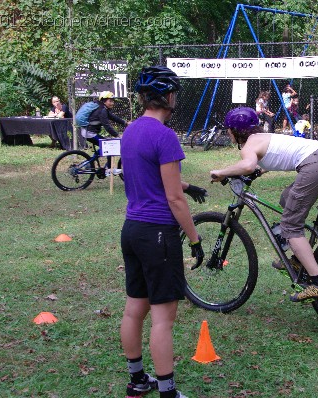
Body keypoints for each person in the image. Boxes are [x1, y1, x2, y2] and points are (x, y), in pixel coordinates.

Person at [120, 65, 205, 398]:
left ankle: (138, 380)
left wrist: (186, 183)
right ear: (168, 96)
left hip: (132, 230)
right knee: (163, 319)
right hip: (158, 234)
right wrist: (195, 240)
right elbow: (174, 199)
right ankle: (168, 392)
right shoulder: (165, 136)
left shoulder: (131, 131)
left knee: (133, 310)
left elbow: (145, 174)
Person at [210, 107, 318, 302]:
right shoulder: (264, 137)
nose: (228, 133)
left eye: (228, 129)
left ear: (234, 130)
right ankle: (299, 260)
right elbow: (269, 159)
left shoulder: (248, 145)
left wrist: (222, 172)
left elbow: (248, 165)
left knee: (290, 226)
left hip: (316, 164)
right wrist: (257, 171)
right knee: (287, 198)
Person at [83, 91, 130, 173]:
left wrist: (125, 123)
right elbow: (107, 126)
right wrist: (118, 135)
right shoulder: (102, 111)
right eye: (110, 101)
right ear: (104, 101)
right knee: (109, 146)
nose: (112, 103)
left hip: (88, 132)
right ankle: (107, 168)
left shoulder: (103, 108)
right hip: (89, 133)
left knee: (106, 146)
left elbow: (113, 117)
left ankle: (90, 162)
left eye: (113, 101)